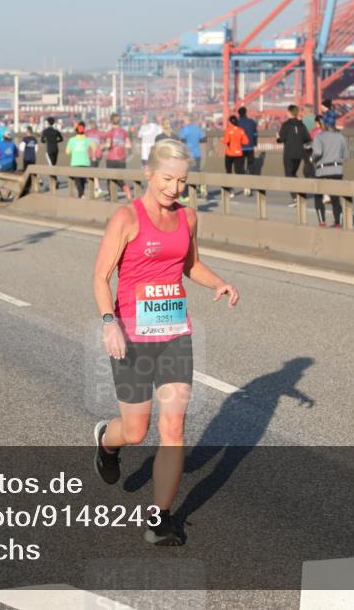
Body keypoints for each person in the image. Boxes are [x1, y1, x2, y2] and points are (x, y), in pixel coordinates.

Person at [92, 138, 239, 547]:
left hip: (175, 334)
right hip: (132, 338)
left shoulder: (189, 218)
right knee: (136, 431)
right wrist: (109, 323)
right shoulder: (126, 218)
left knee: (173, 426)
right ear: (149, 174)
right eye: (168, 179)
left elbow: (191, 264)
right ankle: (107, 441)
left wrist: (220, 282)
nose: (174, 188)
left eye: (182, 181)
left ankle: (160, 519)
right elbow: (101, 276)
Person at [311, 118, 348, 228]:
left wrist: (312, 158)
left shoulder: (319, 137)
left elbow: (317, 152)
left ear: (323, 124)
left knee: (318, 196)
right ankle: (338, 223)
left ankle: (322, 221)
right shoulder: (340, 137)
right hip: (337, 170)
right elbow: (346, 156)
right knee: (335, 198)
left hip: (322, 171)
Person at [278, 104, 311, 204]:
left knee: (289, 175)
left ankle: (296, 196)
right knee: (293, 173)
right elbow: (307, 138)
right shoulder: (302, 125)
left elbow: (281, 139)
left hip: (289, 153)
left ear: (289, 112)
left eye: (287, 112)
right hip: (299, 154)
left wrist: (277, 138)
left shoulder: (286, 125)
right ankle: (299, 190)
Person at [104, 113, 133, 200]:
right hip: (121, 158)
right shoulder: (124, 132)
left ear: (111, 121)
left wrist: (104, 146)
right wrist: (121, 144)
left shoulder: (110, 132)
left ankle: (112, 196)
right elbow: (129, 145)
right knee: (120, 177)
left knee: (110, 178)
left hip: (111, 159)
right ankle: (124, 187)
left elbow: (108, 145)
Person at [178, 116, 206, 198]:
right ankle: (201, 185)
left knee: (185, 174)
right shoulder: (197, 128)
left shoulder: (185, 129)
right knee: (196, 172)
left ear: (187, 121)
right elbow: (203, 139)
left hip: (187, 155)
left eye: (184, 121)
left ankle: (186, 194)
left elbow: (181, 141)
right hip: (197, 154)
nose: (183, 123)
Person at [222, 115, 249, 198]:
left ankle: (231, 191)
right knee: (239, 171)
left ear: (230, 122)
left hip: (229, 153)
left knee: (229, 171)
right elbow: (246, 142)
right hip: (239, 153)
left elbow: (226, 140)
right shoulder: (241, 130)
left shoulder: (228, 130)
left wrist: (222, 140)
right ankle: (246, 186)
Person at [66, 122, 94, 198]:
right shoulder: (88, 140)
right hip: (85, 162)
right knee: (82, 181)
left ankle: (81, 195)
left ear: (76, 131)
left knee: (78, 181)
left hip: (75, 163)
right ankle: (81, 195)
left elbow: (67, 152)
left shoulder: (72, 140)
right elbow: (94, 148)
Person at [237, 106, 258, 194]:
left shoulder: (237, 123)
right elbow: (255, 134)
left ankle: (245, 184)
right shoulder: (252, 122)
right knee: (250, 165)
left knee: (240, 166)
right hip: (250, 147)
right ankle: (249, 182)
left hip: (240, 148)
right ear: (246, 112)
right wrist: (255, 144)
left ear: (238, 114)